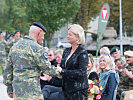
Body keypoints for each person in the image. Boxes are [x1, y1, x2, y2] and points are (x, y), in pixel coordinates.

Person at [3, 22, 60, 100]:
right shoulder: (37, 48)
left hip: (18, 91)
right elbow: (47, 69)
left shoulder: (15, 47)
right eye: (43, 35)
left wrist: (9, 88)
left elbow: (8, 70)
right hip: (32, 93)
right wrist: (59, 70)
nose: (43, 38)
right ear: (39, 32)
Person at [58, 24, 89, 100]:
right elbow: (62, 67)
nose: (67, 36)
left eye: (70, 34)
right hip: (66, 89)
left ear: (77, 37)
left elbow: (81, 72)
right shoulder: (66, 51)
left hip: (78, 90)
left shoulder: (82, 52)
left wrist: (63, 72)